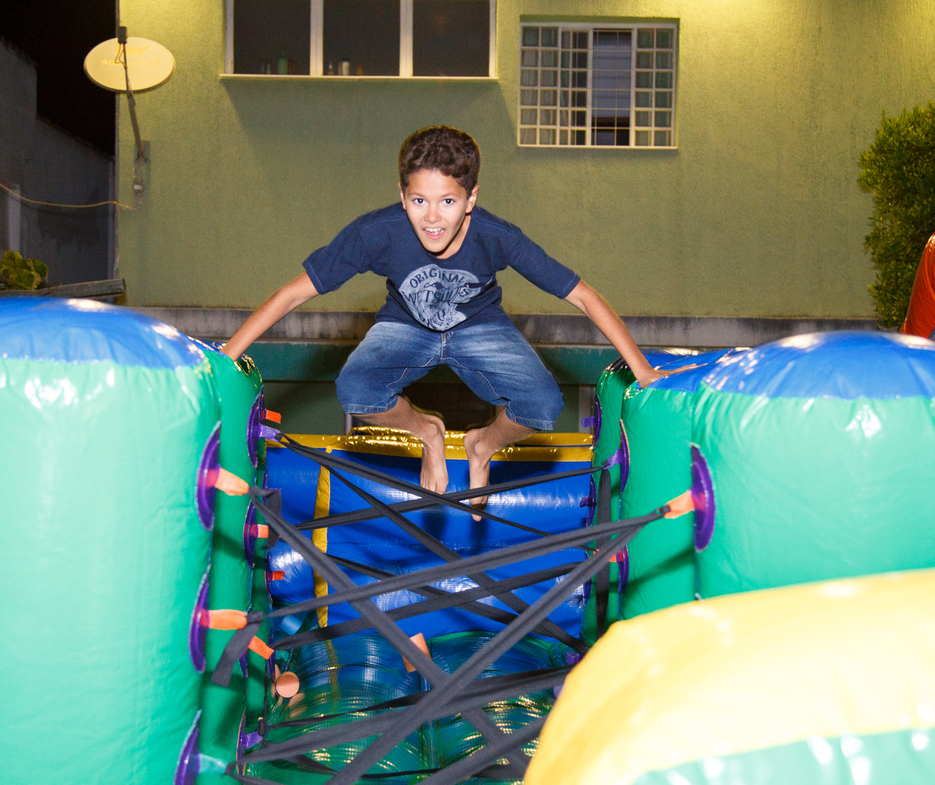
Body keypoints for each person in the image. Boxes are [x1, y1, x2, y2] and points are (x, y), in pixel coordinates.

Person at [224, 126, 673, 513]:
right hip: (405, 327)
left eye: (448, 201)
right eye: (419, 200)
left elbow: (583, 296)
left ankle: (482, 445)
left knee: (544, 404)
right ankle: (428, 433)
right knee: (354, 390)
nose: (433, 218)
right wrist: (228, 354)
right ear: (402, 197)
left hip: (480, 328)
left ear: (471, 199)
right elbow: (292, 294)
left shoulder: (498, 237)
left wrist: (644, 371)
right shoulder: (375, 233)